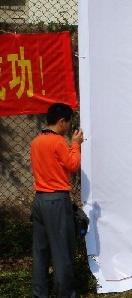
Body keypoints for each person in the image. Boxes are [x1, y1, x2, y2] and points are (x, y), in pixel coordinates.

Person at [30, 102, 84, 298]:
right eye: (68, 123)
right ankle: (65, 294)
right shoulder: (58, 142)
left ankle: (40, 294)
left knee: (40, 251)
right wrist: (76, 144)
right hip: (56, 200)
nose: (69, 128)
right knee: (62, 251)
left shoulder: (36, 142)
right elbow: (72, 164)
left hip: (40, 199)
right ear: (62, 121)